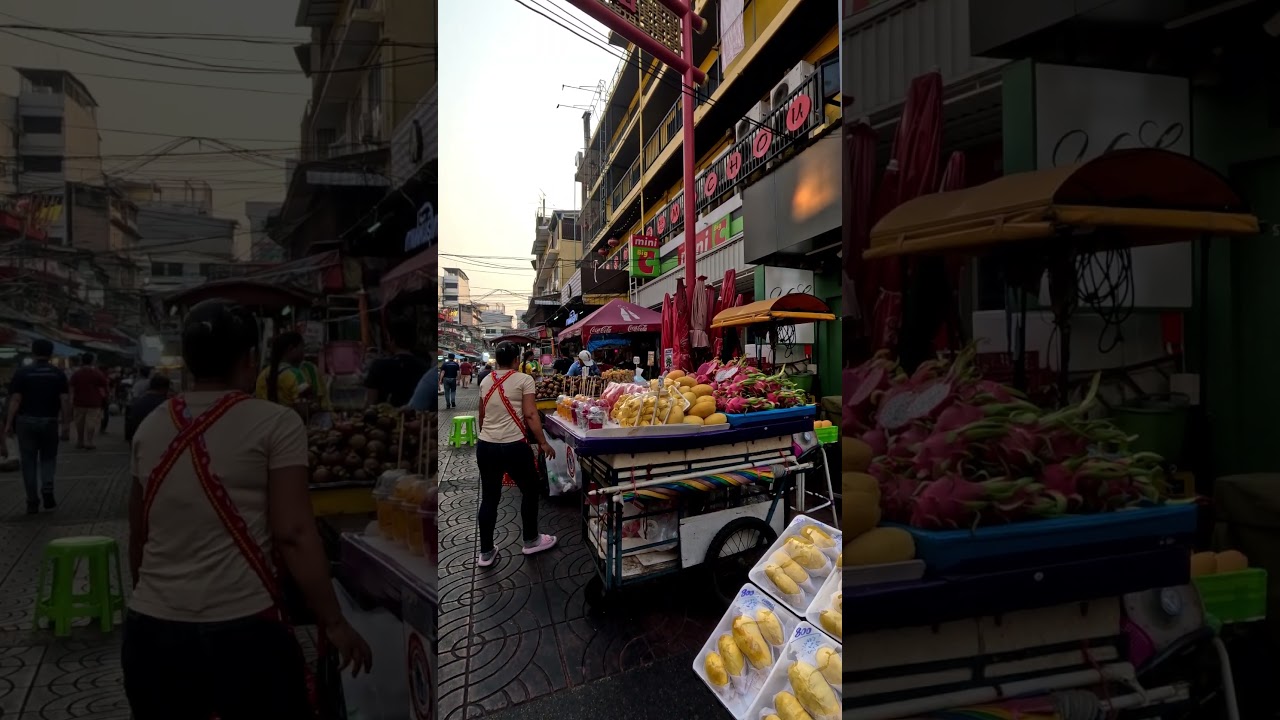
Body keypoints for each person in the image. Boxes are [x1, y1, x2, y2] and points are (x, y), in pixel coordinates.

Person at [123, 299, 371, 718]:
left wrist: (162, 603)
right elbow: (293, 532)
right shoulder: (276, 423)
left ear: (187, 360)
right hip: (242, 631)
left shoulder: (150, 427)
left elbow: (139, 534)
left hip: (152, 630)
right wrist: (333, 621)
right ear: (250, 358)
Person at [475, 342, 557, 566]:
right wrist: (543, 442)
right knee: (530, 491)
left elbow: (481, 416)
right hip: (514, 446)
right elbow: (531, 415)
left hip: (486, 445)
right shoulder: (524, 379)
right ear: (516, 360)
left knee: (490, 498)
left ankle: (486, 553)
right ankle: (531, 540)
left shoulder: (485, 380)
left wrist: (489, 437)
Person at [4, 340, 71, 514]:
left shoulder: (22, 373)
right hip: (49, 421)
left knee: (29, 463)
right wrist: (65, 425)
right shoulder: (58, 374)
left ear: (33, 352)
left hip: (26, 422)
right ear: (51, 353)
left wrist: (8, 423)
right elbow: (64, 400)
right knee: (48, 458)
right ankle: (47, 488)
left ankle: (32, 500)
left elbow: (16, 400)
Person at [364, 320, 429, 407]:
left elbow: (370, 402)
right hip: (417, 418)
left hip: (385, 417)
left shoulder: (378, 366)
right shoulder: (425, 368)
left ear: (392, 340)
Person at [256, 332, 307, 410]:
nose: (304, 352)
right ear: (291, 349)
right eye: (302, 347)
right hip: (291, 421)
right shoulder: (296, 374)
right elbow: (304, 409)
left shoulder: (262, 375)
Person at [70, 353, 109, 450]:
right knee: (91, 423)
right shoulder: (97, 373)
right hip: (94, 402)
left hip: (79, 401)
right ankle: (89, 441)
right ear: (93, 361)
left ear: (82, 361)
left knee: (79, 423)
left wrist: (71, 399)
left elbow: (71, 386)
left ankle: (80, 441)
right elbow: (104, 384)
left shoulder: (76, 373)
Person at [125, 376, 171, 444]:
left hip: (138, 440)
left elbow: (130, 425)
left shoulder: (137, 402)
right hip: (159, 442)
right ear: (164, 388)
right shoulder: (166, 404)